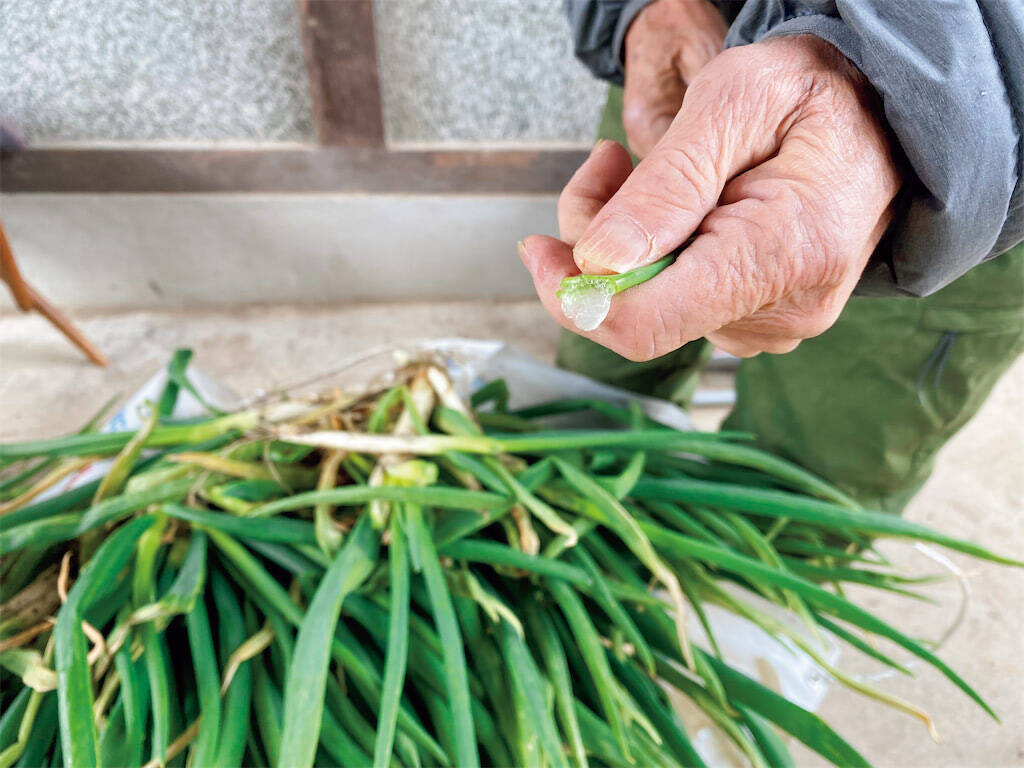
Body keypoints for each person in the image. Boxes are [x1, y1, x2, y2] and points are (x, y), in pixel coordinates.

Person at [519, 0, 1024, 514]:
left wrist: (898, 86)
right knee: (593, 404)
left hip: (962, 173)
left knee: (802, 490)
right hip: (692, 53)